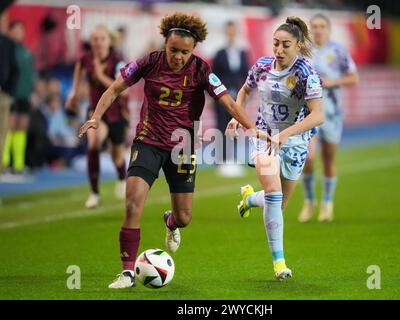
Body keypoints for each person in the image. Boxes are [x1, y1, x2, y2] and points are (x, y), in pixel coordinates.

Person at [78, 12, 269, 289]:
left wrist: (251, 127)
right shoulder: (149, 62)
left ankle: (170, 222)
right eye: (173, 50)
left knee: (184, 218)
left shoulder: (202, 70)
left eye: (184, 52)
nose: (178, 56)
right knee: (132, 203)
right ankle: (127, 273)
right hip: (148, 141)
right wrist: (96, 116)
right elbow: (115, 89)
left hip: (183, 146)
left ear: (193, 50)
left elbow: (229, 103)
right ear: (165, 44)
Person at [227, 16, 324, 280]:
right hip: (263, 135)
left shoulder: (306, 73)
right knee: (273, 192)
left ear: (298, 45)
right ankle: (279, 263)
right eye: (275, 44)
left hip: (294, 142)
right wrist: (238, 116)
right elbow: (244, 91)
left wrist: (287, 135)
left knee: (278, 204)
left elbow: (318, 116)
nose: (279, 50)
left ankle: (248, 199)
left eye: (286, 45)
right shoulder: (261, 67)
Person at [298, 14, 358, 223]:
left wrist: (332, 82)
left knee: (329, 160)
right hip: (309, 114)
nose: (318, 30)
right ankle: (309, 201)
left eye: (322, 26)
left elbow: (353, 77)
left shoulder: (338, 51)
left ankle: (327, 203)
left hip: (331, 115)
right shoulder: (303, 52)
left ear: (328, 29)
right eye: (314, 26)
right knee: (309, 157)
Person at [66, 25, 129, 209]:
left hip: (117, 112)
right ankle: (94, 193)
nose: (98, 42)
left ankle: (121, 177)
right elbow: (78, 74)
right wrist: (74, 95)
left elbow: (123, 91)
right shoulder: (85, 59)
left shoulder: (118, 60)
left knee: (116, 155)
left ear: (109, 41)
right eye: (94, 39)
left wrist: (100, 75)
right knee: (93, 143)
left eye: (101, 38)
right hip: (96, 112)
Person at [212, 21, 249, 176]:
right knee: (222, 126)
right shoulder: (220, 53)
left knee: (234, 126)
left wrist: (246, 94)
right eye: (229, 32)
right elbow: (213, 75)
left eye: (233, 31)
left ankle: (231, 159)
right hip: (222, 95)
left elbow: (247, 75)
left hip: (237, 97)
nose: (231, 34)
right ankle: (222, 160)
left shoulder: (242, 53)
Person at [2, 21, 35, 174]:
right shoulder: (6, 49)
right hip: (9, 92)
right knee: (8, 125)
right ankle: (4, 161)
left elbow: (30, 75)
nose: (18, 33)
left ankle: (18, 164)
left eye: (21, 30)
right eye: (15, 30)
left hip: (24, 94)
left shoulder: (26, 52)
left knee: (21, 127)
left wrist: (33, 92)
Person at [0, 26, 18, 173]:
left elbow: (14, 69)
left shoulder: (7, 43)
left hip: (3, 94)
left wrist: (9, 92)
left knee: (2, 133)